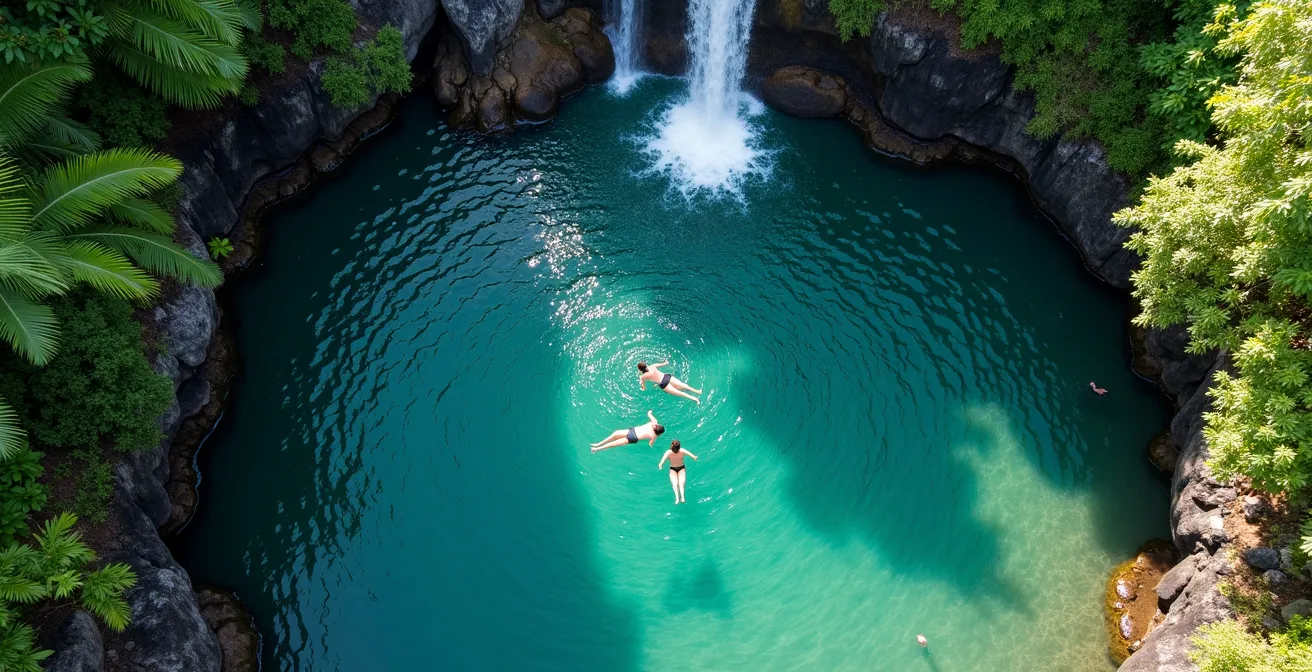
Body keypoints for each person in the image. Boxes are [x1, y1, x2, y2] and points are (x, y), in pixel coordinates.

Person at [591, 411, 665, 452]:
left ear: (657, 427)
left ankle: (597, 447)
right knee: (614, 439)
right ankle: (597, 446)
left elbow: (649, 414)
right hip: (633, 435)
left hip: (632, 434)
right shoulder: (654, 435)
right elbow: (650, 444)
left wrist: (650, 412)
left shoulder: (654, 424)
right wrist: (651, 446)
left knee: (614, 438)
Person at [638, 360, 702, 404]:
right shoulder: (652, 366)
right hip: (667, 377)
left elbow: (644, 387)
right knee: (685, 385)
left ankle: (695, 399)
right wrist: (666, 362)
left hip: (663, 384)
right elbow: (663, 363)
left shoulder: (642, 377)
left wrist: (642, 388)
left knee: (682, 393)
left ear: (640, 369)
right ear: (646, 365)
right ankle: (697, 391)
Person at [658, 440, 698, 504]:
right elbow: (691, 455)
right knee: (681, 483)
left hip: (673, 469)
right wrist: (695, 457)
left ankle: (678, 498)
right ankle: (682, 497)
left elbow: (662, 461)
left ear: (671, 446)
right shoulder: (681, 450)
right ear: (679, 447)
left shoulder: (668, 452)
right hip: (681, 468)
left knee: (675, 484)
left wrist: (660, 466)